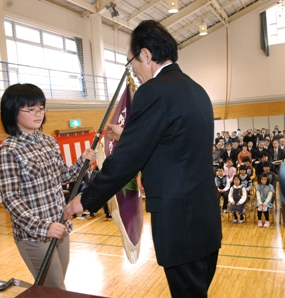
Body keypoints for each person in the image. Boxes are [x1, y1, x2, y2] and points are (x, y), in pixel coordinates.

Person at [64, 20, 221, 297]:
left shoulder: (154, 91)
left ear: (146, 55)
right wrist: (127, 134)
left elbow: (126, 162)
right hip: (205, 220)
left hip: (179, 223)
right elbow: (173, 142)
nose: (133, 71)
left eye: (131, 62)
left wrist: (85, 199)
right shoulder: (197, 90)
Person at [0, 83, 96, 290]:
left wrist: (82, 162)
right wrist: (44, 227)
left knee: (52, 288)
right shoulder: (8, 150)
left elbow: (62, 176)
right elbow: (11, 199)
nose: (38, 114)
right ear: (13, 112)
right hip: (34, 236)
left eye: (41, 108)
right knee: (56, 288)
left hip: (60, 227)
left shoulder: (49, 142)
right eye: (30, 109)